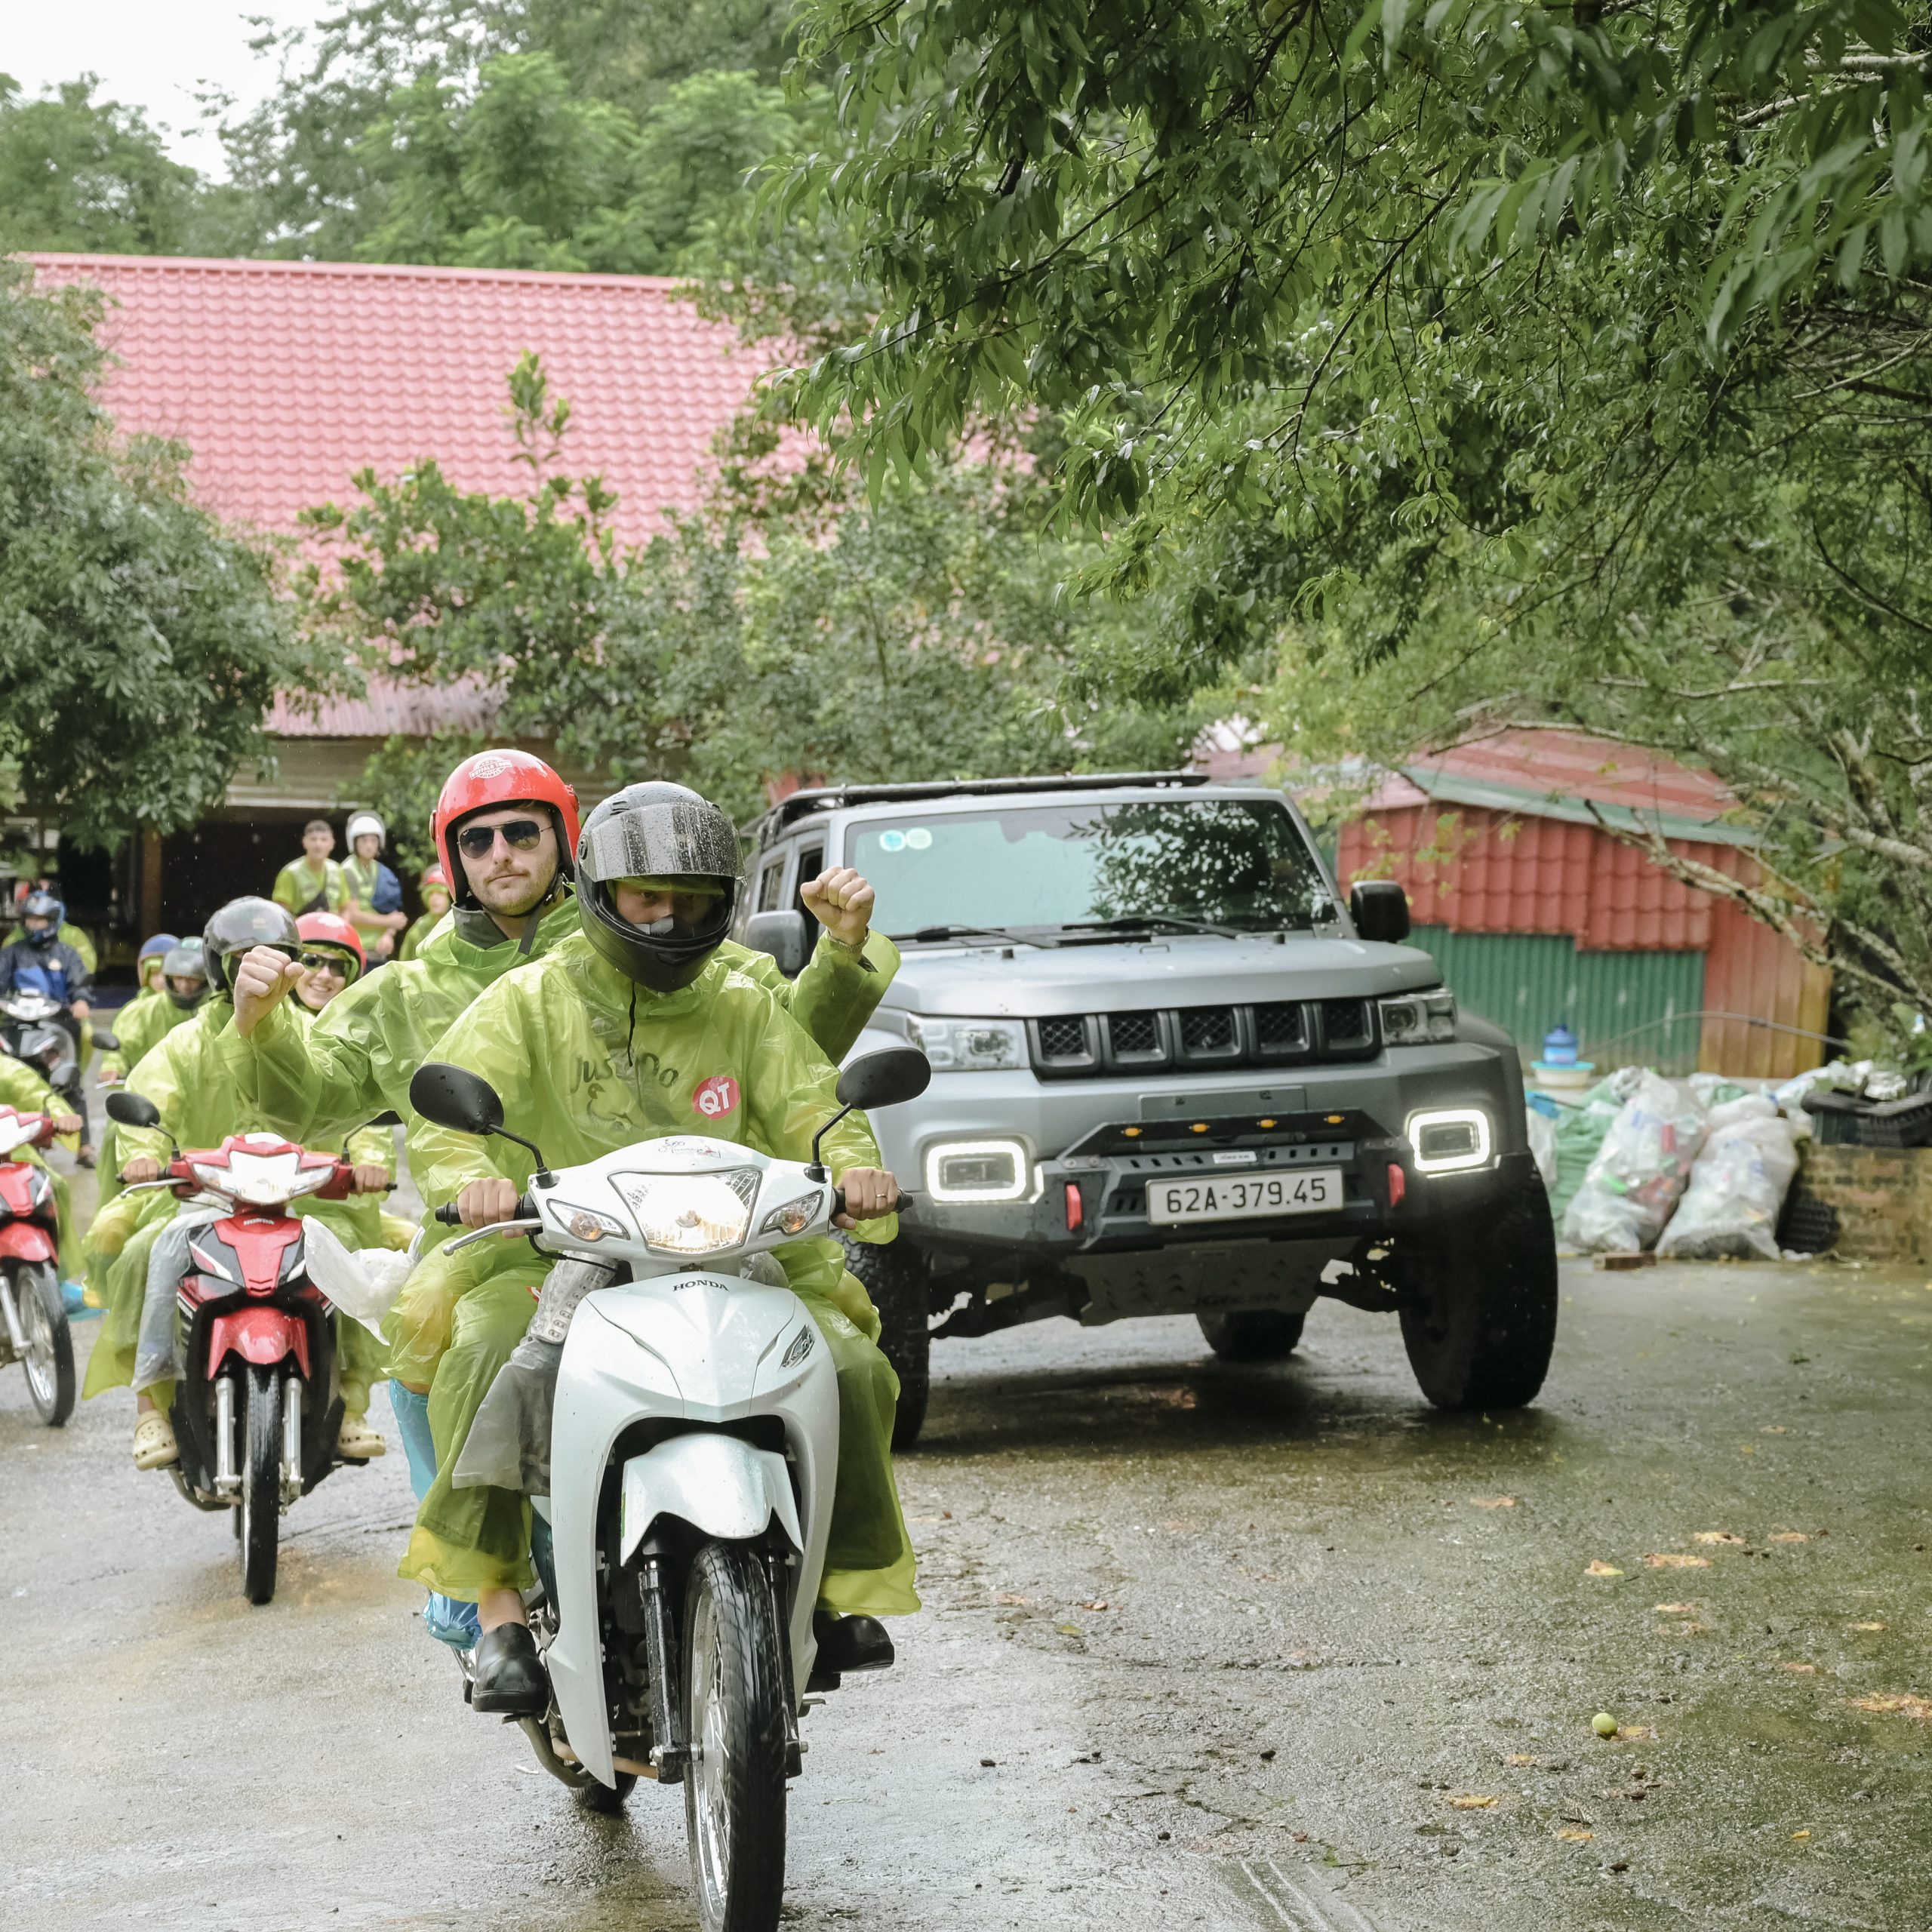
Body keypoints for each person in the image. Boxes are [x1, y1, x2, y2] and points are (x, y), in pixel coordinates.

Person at [220, 751, 901, 1643]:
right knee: (458, 1342)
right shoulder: (420, 991)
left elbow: (797, 1063)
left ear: (572, 845)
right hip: (517, 1238)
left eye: (522, 831)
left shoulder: (691, 953)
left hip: (712, 1229)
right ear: (452, 857)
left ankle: (824, 1581)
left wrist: (841, 957)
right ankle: (480, 1589)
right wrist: (262, 1026)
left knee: (846, 1357)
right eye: (478, 839)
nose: (501, 853)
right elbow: (311, 1103)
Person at [407, 781, 915, 1714]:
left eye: (692, 898)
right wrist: (470, 1181)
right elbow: (448, 1122)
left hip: (734, 1250)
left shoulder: (745, 999)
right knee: (483, 1351)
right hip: (558, 1251)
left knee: (848, 1364)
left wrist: (854, 1170)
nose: (670, 918)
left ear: (725, 901)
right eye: (649, 897)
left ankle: (828, 1589)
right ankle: (499, 1614)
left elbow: (815, 1102)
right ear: (603, 892)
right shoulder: (529, 996)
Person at [81, 899, 393, 1466]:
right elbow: (150, 1101)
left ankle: (350, 1401)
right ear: (219, 967)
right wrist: (146, 1155)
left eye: (271, 956)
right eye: (244, 958)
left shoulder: (313, 1035)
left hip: (301, 1199)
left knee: (348, 1254)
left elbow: (357, 1109)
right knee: (151, 1251)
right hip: (205, 1198)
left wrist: (371, 1158)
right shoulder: (185, 1043)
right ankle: (151, 1408)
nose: (258, 970)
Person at [96, 939, 205, 1209]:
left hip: (204, 1108)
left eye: (192, 979)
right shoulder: (142, 1011)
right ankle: (115, 1203)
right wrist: (112, 1065)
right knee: (115, 1136)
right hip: (148, 1101)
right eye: (177, 978)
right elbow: (121, 1046)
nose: (184, 986)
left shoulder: (218, 1015)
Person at [0, 891, 94, 1164]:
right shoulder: (12, 952)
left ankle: (84, 1146)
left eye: (40, 920)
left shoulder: (67, 954)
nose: (35, 924)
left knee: (69, 1078)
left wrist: (80, 1001)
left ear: (53, 921)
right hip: (16, 1022)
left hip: (56, 1022)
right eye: (30, 919)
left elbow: (80, 984)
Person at [0, 1044, 85, 1284]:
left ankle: (57, 1277)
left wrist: (60, 1116)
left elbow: (36, 1092)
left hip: (8, 1150)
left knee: (52, 1184)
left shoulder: (5, 1068)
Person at [342, 811, 408, 962]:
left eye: (373, 840)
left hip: (379, 951)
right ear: (354, 842)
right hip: (355, 949)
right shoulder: (347, 871)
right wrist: (389, 922)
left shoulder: (385, 873)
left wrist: (389, 935)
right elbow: (352, 915)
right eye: (364, 840)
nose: (369, 845)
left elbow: (393, 911)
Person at [272, 820, 350, 918]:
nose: (318, 845)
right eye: (313, 839)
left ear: (332, 844)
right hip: (301, 926)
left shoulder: (337, 870)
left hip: (331, 926)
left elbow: (345, 909)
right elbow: (280, 913)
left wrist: (341, 925)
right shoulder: (290, 873)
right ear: (304, 842)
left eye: (324, 839)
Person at [396, 863, 451, 961]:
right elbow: (404, 965)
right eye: (430, 893)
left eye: (440, 893)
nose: (434, 898)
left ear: (449, 896)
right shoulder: (417, 931)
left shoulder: (461, 926)